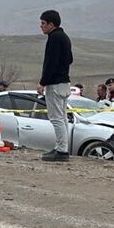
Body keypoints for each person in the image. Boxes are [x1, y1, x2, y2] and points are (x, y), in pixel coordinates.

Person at [37, 10, 73, 162]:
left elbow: (51, 63)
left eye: (43, 23)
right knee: (63, 117)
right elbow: (69, 59)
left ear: (51, 24)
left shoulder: (54, 38)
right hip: (65, 82)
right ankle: (61, 146)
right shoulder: (64, 37)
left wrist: (43, 82)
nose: (41, 26)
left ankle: (62, 151)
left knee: (56, 118)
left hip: (55, 84)